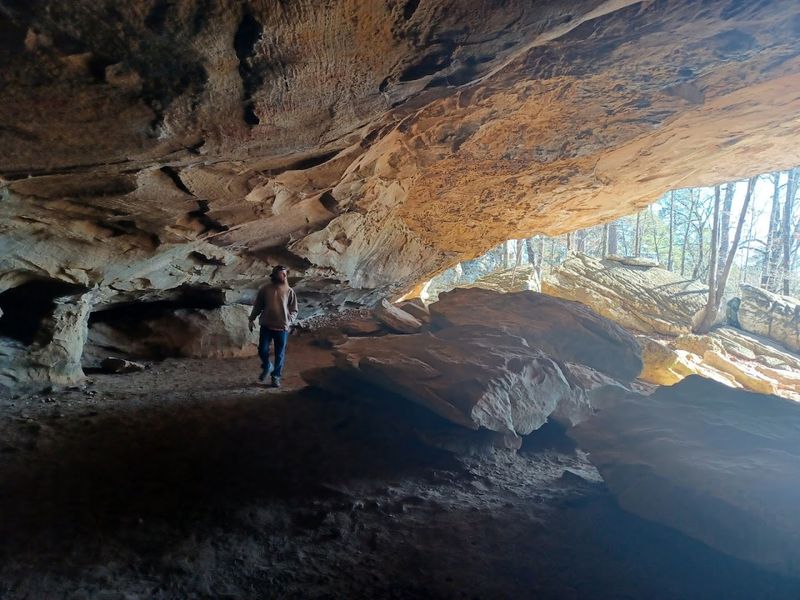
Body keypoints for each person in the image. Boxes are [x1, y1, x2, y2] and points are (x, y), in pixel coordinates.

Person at [248, 265, 298, 387]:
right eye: (282, 273)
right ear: (275, 275)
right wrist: (251, 319)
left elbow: (294, 310)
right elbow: (258, 306)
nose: (284, 276)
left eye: (285, 274)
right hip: (266, 326)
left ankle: (275, 377)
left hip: (282, 328)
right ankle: (267, 365)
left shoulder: (290, 291)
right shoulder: (265, 290)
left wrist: (289, 320)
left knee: (279, 354)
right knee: (262, 350)